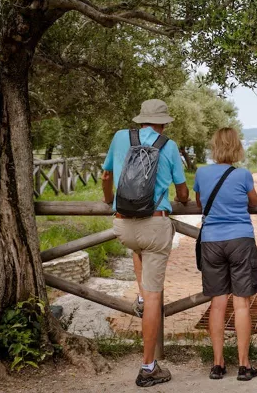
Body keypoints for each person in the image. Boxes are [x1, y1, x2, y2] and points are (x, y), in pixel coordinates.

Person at [101, 99, 189, 387]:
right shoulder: (170, 145)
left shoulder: (119, 137)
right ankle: (149, 366)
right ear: (162, 122)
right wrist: (184, 199)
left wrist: (107, 199)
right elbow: (182, 190)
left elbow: (106, 175)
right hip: (155, 223)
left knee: (137, 248)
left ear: (141, 120)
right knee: (155, 296)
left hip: (123, 224)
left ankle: (139, 297)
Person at [193, 128, 257, 381]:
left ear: (215, 147)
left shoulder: (201, 173)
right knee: (241, 302)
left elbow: (200, 203)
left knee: (218, 303)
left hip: (211, 241)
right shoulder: (242, 174)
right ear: (236, 147)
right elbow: (253, 201)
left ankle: (218, 364)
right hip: (240, 239)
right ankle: (244, 365)